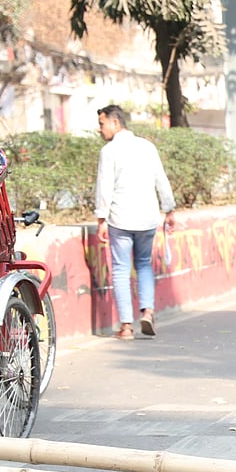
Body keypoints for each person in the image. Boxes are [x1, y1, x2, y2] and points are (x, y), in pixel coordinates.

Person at [94, 104, 175, 340]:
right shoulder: (147, 146)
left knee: (121, 269)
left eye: (102, 124)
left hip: (120, 219)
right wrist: (169, 209)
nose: (100, 129)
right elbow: (161, 179)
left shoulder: (109, 151)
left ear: (115, 122)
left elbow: (104, 187)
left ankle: (127, 327)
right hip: (148, 218)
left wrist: (101, 218)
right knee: (143, 264)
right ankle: (147, 311)